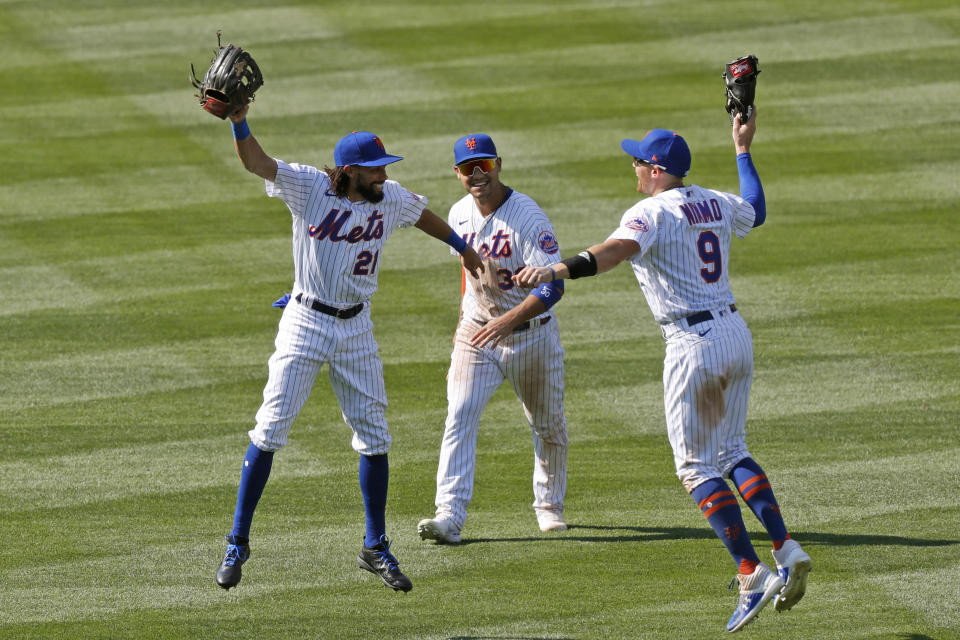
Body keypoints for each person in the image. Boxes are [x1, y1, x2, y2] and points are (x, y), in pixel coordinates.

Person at [512, 110, 811, 632]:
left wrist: (559, 268)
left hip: (692, 343)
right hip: (736, 333)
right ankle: (784, 546)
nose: (633, 167)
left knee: (696, 467)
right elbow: (757, 210)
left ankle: (750, 572)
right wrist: (743, 149)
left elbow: (615, 252)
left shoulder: (651, 212)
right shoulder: (715, 201)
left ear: (653, 169)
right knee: (732, 450)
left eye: (636, 160)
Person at [214, 103, 484, 593]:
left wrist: (464, 249)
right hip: (306, 321)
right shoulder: (309, 187)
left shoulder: (390, 197)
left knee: (375, 437)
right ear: (350, 171)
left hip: (357, 327)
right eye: (376, 169)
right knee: (270, 429)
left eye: (385, 168)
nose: (384, 175)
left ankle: (375, 545)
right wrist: (239, 122)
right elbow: (257, 163)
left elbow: (424, 216)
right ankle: (238, 540)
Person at [416, 134, 568, 544]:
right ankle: (448, 515)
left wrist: (509, 319)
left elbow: (554, 288)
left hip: (531, 336)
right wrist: (463, 317)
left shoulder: (527, 218)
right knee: (459, 414)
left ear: (499, 164)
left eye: (484, 165)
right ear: (457, 174)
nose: (477, 174)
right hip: (476, 332)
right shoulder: (458, 213)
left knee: (547, 424)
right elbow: (467, 272)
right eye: (468, 168)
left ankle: (549, 506)